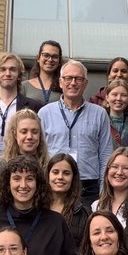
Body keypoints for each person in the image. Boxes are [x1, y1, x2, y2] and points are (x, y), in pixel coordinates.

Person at [39, 60, 114, 202]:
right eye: (68, 78)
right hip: (54, 184)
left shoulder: (99, 114)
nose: (73, 83)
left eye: (78, 79)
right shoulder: (45, 113)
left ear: (85, 83)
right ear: (60, 82)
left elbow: (105, 154)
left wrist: (103, 191)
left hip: (88, 186)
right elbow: (39, 153)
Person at [0, 52, 43, 157]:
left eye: (12, 69)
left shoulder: (34, 107)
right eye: (3, 69)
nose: (8, 73)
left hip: (20, 162)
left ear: (19, 75)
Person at [0, 109, 49, 181]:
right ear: (15, 134)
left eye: (34, 132)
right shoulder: (1, 165)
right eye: (24, 132)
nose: (29, 136)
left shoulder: (49, 165)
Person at [47, 153, 90, 246]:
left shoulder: (82, 212)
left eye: (66, 173)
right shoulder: (37, 207)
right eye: (55, 172)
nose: (60, 177)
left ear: (73, 178)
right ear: (48, 175)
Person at [89, 57, 128, 122]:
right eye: (115, 71)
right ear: (109, 75)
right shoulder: (95, 100)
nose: (119, 75)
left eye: (123, 71)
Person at [93, 147, 128, 223]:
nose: (119, 172)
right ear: (107, 170)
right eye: (114, 167)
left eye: (126, 168)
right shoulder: (96, 206)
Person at [22, 40, 63, 105]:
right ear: (38, 58)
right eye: (46, 55)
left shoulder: (63, 86)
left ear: (59, 61)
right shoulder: (24, 86)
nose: (50, 60)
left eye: (55, 57)